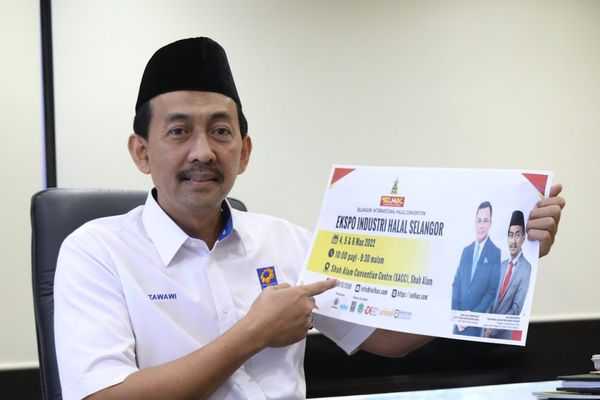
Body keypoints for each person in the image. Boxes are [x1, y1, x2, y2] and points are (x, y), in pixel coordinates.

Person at [53, 37, 565, 400]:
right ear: (141, 152)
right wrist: (254, 333)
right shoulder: (96, 251)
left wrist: (515, 259)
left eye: (221, 131)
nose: (203, 151)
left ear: (244, 152)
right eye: (179, 131)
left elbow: (387, 339)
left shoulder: (286, 243)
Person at [451, 201, 501, 337]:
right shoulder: (466, 251)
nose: (481, 225)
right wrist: (456, 315)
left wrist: (471, 317)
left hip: (476, 327)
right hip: (457, 325)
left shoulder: (495, 253)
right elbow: (456, 284)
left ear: (490, 223)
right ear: (475, 222)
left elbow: (492, 291)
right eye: (479, 221)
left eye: (485, 221)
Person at [483, 210, 531, 340]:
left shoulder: (526, 268)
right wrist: (484, 325)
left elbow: (516, 309)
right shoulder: (501, 265)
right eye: (511, 235)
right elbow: (491, 298)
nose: (513, 241)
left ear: (523, 238)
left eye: (517, 235)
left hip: (504, 338)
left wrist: (493, 328)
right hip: (485, 334)